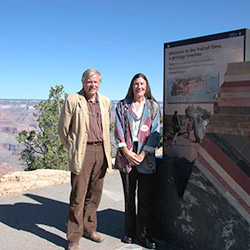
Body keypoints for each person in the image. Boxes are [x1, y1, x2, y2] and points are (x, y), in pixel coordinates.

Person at [58, 68, 112, 250]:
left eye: (96, 82)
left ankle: (90, 228)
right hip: (84, 151)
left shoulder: (105, 101)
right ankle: (73, 238)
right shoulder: (73, 100)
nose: (92, 85)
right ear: (83, 82)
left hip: (101, 150)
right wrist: (74, 147)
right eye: (89, 81)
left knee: (95, 194)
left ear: (99, 83)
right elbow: (63, 130)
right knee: (78, 196)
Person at [114, 73, 160, 249]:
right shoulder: (122, 106)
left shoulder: (153, 107)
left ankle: (144, 234)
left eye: (142, 83)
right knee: (128, 197)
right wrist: (126, 151)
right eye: (136, 84)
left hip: (145, 156)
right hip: (126, 157)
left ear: (146, 86)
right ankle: (129, 231)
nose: (139, 87)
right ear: (131, 86)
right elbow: (118, 129)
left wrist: (141, 155)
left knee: (145, 198)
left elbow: (156, 131)